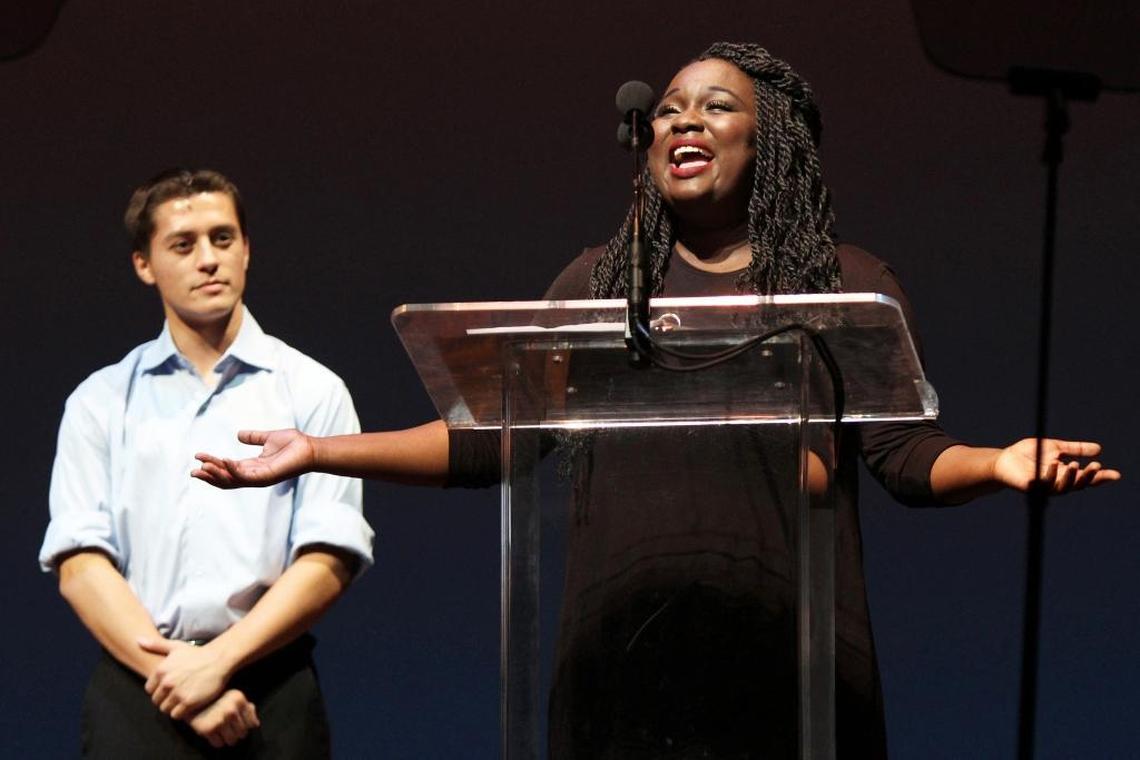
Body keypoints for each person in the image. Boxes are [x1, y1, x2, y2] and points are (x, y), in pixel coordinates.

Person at [193, 43, 1120, 758]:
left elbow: (905, 460)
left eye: (718, 106)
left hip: (789, 672)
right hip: (619, 667)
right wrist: (315, 453)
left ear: (773, 140)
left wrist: (997, 465)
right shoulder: (597, 285)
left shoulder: (842, 285)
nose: (685, 119)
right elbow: (497, 443)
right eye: (671, 108)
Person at [39, 168, 374, 758]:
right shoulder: (100, 400)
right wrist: (184, 679)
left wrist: (219, 661)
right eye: (182, 244)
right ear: (144, 264)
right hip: (139, 686)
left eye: (223, 238)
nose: (208, 259)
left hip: (270, 689)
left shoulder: (312, 389)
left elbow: (329, 555)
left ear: (246, 248)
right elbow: (80, 562)